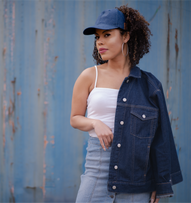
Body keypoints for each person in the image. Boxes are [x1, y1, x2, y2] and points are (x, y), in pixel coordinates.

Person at [70, 5, 183, 203]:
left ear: (126, 37)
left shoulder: (150, 84)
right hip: (97, 171)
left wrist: (160, 184)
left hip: (137, 180)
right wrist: (95, 123)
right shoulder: (89, 76)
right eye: (97, 37)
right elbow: (75, 118)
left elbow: (160, 139)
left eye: (107, 35)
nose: (100, 42)